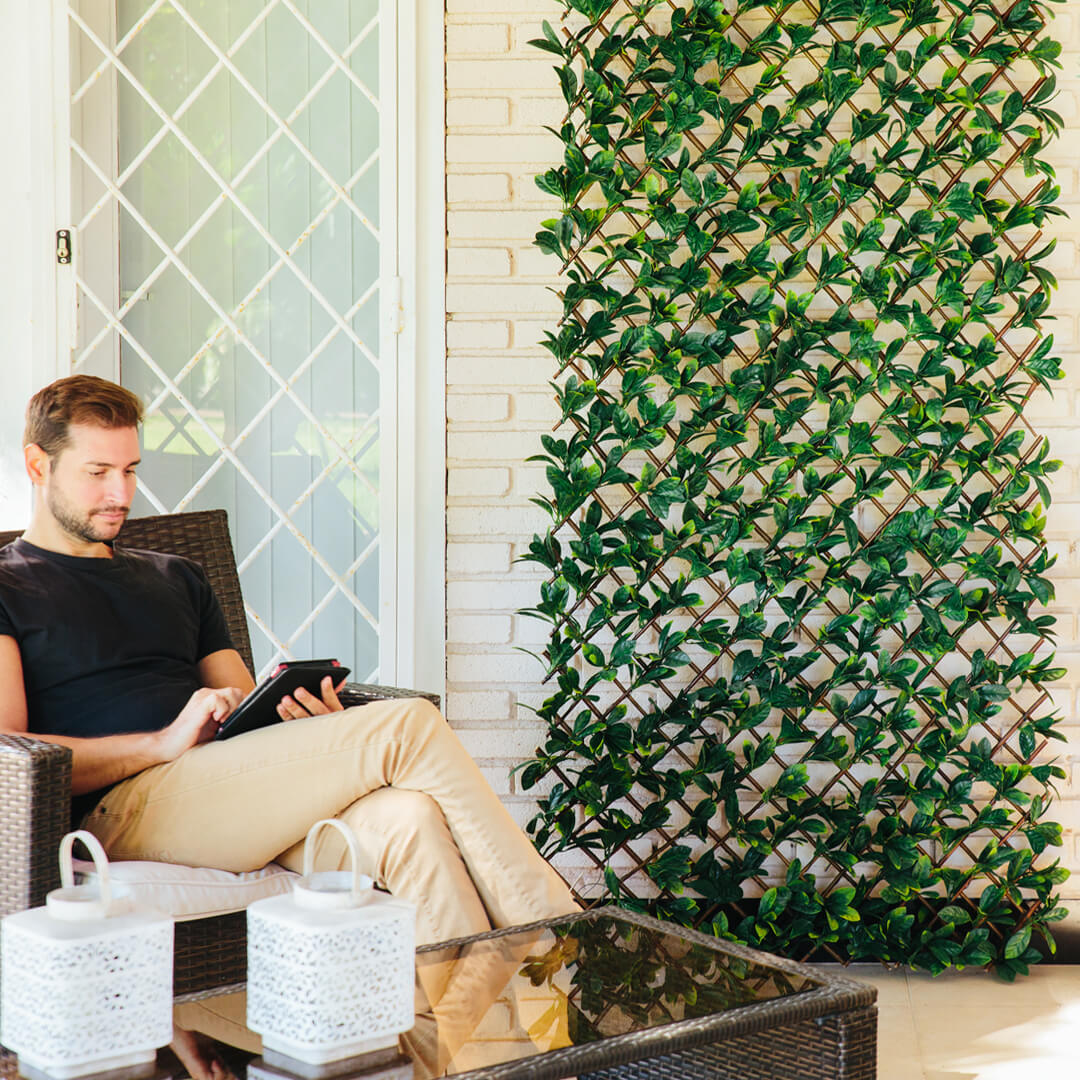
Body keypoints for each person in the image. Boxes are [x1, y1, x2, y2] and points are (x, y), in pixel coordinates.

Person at [0, 375, 577, 951]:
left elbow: (243, 710)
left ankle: (489, 1008)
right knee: (408, 724)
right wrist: (161, 743)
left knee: (411, 821)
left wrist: (305, 726)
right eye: (97, 472)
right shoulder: (10, 586)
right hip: (120, 808)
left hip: (225, 788)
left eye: (130, 470)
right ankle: (557, 935)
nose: (120, 493)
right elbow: (10, 751)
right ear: (37, 465)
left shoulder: (176, 576)